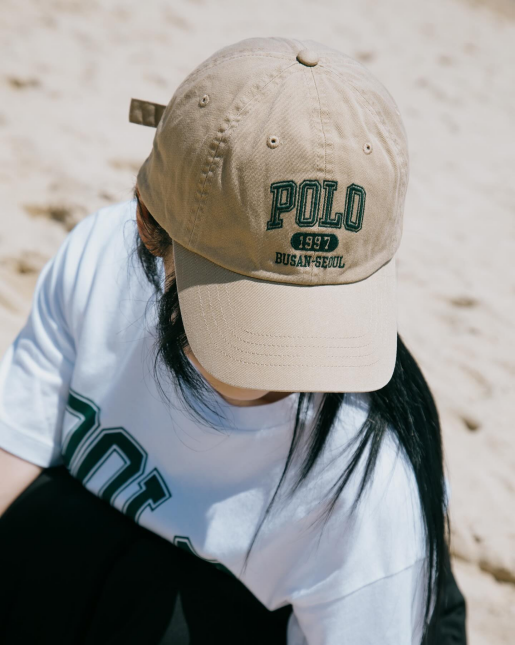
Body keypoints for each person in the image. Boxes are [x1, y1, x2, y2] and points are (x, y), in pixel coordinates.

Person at [0, 37, 467, 644]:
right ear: (149, 227)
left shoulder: (370, 484)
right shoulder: (100, 260)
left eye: (320, 309)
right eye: (253, 307)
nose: (289, 363)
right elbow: (15, 455)